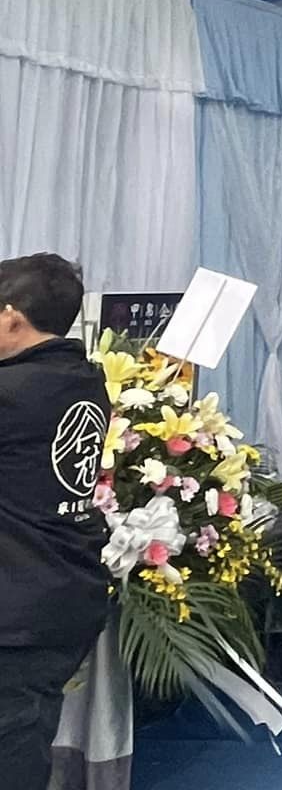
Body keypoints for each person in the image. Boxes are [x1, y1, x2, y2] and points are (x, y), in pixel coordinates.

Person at [0, 253, 114, 778]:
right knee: (27, 732)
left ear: (11, 318)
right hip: (63, 588)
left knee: (12, 751)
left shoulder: (13, 392)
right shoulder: (85, 380)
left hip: (19, 606)